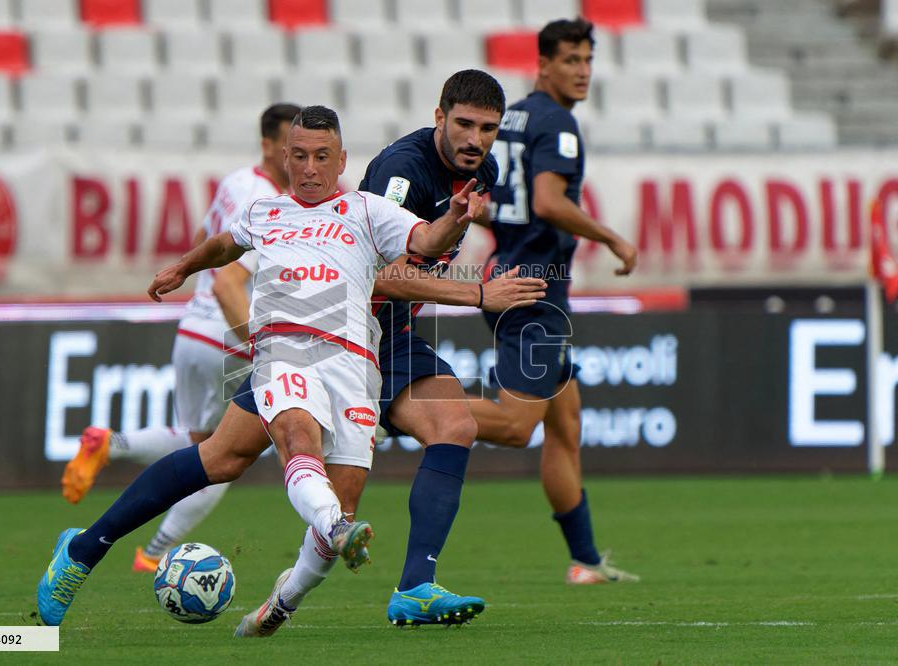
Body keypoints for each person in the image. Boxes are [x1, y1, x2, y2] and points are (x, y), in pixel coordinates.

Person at [35, 105, 486, 629]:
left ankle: (282, 602)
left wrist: (454, 218)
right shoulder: (265, 212)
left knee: (228, 462)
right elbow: (224, 245)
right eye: (300, 156)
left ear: (341, 161)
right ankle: (86, 552)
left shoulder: (368, 211)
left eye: (322, 157)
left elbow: (426, 241)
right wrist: (184, 266)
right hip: (283, 350)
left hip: (353, 365)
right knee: (298, 440)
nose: (310, 168)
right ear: (284, 157)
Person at [230, 69, 514, 627]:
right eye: (464, 124)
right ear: (439, 116)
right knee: (217, 460)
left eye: (488, 129)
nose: (476, 139)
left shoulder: (484, 173)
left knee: (455, 426)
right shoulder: (401, 172)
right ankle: (87, 547)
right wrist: (479, 294)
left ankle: (415, 587)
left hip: (392, 336)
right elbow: (381, 275)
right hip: (332, 335)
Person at [59, 103, 300, 573]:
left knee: (197, 442)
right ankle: (152, 553)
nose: (299, 159)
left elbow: (203, 239)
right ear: (269, 145)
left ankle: (110, 443)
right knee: (223, 459)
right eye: (291, 147)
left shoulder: (235, 182)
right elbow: (230, 282)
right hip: (229, 334)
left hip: (192, 329)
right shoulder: (271, 205)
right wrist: (259, 347)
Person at [468, 18, 640, 584]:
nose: (583, 71)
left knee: (565, 424)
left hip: (513, 278)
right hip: (535, 293)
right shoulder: (557, 122)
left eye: (588, 60)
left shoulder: (513, 117)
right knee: (517, 426)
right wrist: (610, 237)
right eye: (570, 60)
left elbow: (499, 206)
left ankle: (585, 561)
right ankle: (390, 413)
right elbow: (546, 202)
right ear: (543, 64)